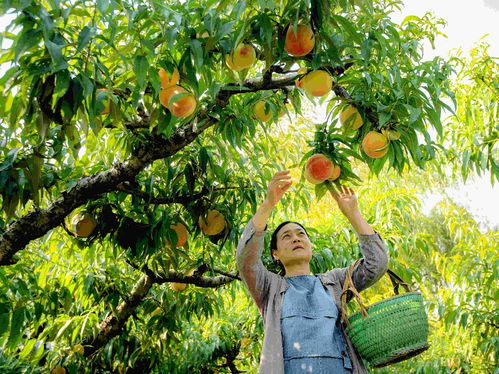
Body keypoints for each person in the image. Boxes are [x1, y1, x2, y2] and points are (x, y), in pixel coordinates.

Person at [236, 170, 389, 374]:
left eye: (301, 234)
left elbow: (376, 264)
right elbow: (246, 259)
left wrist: (353, 214)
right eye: (287, 237)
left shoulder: (335, 282)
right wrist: (268, 204)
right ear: (275, 254)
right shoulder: (269, 287)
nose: (296, 239)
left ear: (310, 245)